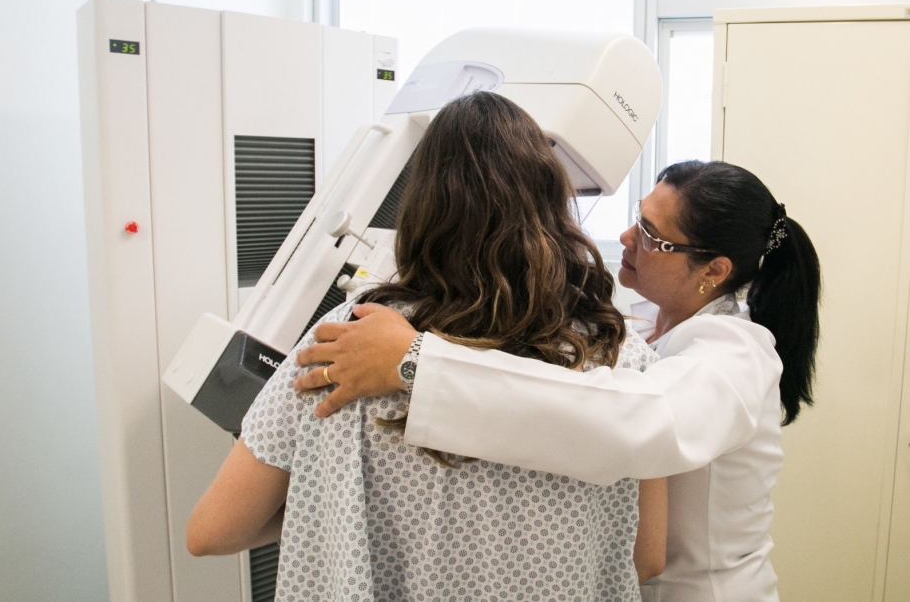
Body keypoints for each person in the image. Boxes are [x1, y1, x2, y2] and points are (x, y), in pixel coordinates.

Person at [186, 91, 668, 601]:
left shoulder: (346, 341)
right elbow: (647, 555)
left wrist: (324, 500)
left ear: (421, 208)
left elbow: (212, 531)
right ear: (550, 205)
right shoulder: (620, 355)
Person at [294, 160, 822, 602]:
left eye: (652, 236)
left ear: (714, 269)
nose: (625, 238)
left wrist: (416, 362)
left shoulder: (736, 354)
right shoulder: (644, 322)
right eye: (637, 218)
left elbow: (635, 422)